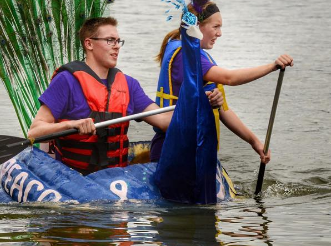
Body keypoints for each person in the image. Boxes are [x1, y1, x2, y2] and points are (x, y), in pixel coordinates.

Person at [27, 16, 223, 175]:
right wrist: (72, 124)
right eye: (109, 40)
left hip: (115, 178)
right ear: (89, 44)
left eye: (118, 41)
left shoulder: (128, 84)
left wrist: (201, 103)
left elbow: (164, 120)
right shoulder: (66, 81)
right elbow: (34, 132)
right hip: (73, 176)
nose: (117, 46)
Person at [151, 0, 294, 164]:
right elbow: (229, 78)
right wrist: (272, 66)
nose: (220, 33)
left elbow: (224, 111)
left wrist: (254, 141)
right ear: (197, 26)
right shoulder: (186, 54)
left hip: (196, 147)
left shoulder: (198, 54)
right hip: (173, 148)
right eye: (216, 26)